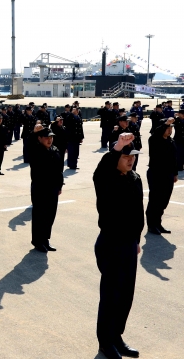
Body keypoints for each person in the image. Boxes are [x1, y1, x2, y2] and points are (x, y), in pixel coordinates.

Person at [93, 134, 143, 359]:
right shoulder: (106, 179)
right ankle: (105, 342)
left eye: (132, 156)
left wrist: (137, 240)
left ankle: (117, 336)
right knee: (111, 295)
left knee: (125, 295)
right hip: (111, 243)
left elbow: (138, 213)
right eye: (125, 156)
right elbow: (101, 170)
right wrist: (116, 149)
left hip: (129, 244)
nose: (130, 160)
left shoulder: (135, 178)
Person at [29, 126, 64, 252]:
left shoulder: (55, 150)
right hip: (40, 188)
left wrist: (60, 185)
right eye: (46, 138)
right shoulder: (36, 150)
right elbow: (29, 144)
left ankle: (45, 239)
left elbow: (59, 170)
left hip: (53, 188)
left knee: (50, 215)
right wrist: (34, 133)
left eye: (51, 137)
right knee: (40, 215)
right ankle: (38, 241)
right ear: (39, 138)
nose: (50, 140)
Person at [146, 118, 178, 235]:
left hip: (168, 174)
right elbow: (157, 132)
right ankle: (151, 225)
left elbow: (174, 159)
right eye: (168, 128)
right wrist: (165, 124)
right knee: (155, 200)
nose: (170, 130)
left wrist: (175, 173)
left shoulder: (170, 141)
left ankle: (158, 223)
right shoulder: (154, 140)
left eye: (171, 128)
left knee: (164, 200)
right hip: (156, 174)